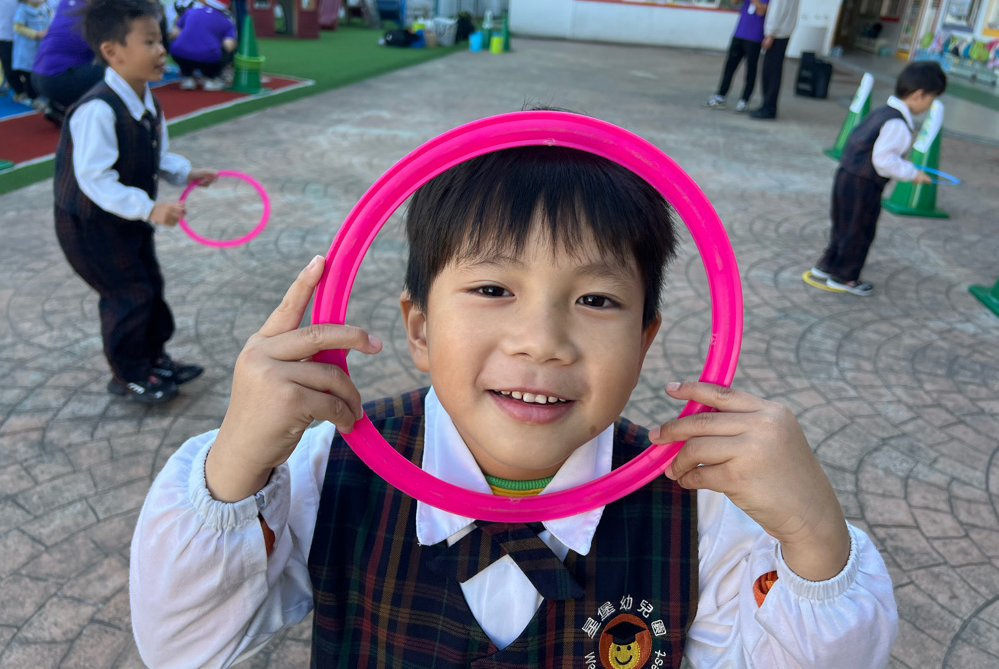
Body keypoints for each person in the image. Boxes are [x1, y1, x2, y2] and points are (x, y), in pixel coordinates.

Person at [129, 138, 898, 665]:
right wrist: (236, 463)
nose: (542, 341)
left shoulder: (699, 508)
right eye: (494, 288)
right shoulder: (328, 470)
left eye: (596, 299)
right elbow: (183, 645)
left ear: (644, 340)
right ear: (420, 328)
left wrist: (815, 540)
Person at [53, 0, 218, 404]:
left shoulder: (147, 101)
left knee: (149, 285)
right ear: (112, 52)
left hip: (128, 220)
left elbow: (154, 155)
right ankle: (128, 374)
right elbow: (95, 179)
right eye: (149, 42)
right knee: (128, 294)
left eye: (160, 40)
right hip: (91, 227)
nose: (162, 50)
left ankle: (153, 359)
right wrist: (149, 207)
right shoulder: (97, 110)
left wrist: (184, 172)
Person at [812, 62, 946, 296]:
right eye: (931, 98)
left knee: (843, 224)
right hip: (864, 185)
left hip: (845, 175)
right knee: (860, 230)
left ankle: (828, 264)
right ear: (918, 95)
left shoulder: (882, 112)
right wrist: (912, 173)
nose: (929, 105)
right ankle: (845, 276)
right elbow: (883, 160)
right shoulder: (898, 124)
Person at [31, 0, 111, 124]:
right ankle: (95, 113)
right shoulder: (92, 11)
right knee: (115, 69)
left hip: (37, 76)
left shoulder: (65, 3)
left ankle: (57, 105)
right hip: (58, 79)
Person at [704, 0, 775, 113]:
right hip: (740, 32)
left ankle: (744, 100)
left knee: (751, 70)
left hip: (755, 35)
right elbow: (735, 2)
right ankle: (720, 96)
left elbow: (761, 10)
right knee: (730, 66)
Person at [749, 0, 801, 121]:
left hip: (778, 33)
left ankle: (769, 108)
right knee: (770, 70)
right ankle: (766, 105)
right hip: (780, 32)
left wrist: (770, 33)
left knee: (771, 72)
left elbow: (780, 8)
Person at [169, 0, 236, 90]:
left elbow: (174, 33)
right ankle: (211, 78)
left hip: (179, 55)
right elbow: (229, 45)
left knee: (177, 45)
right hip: (208, 59)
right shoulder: (227, 21)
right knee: (227, 50)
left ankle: (187, 77)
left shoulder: (190, 11)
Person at [12, 0, 52, 106]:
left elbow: (49, 22)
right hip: (27, 49)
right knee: (29, 74)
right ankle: (32, 98)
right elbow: (18, 27)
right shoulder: (23, 9)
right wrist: (36, 34)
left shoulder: (44, 8)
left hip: (40, 48)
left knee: (40, 72)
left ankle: (40, 94)